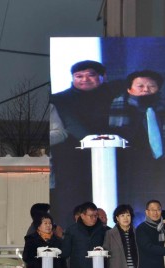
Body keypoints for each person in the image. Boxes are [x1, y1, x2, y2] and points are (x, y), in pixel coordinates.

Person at [109, 70, 165, 210]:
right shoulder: (119, 107)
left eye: (151, 86)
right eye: (140, 86)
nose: (146, 89)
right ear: (129, 89)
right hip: (132, 166)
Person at [49, 60, 113, 221]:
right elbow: (69, 125)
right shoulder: (59, 99)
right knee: (72, 201)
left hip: (111, 155)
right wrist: (94, 140)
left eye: (91, 75)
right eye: (79, 76)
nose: (85, 79)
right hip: (71, 159)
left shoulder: (115, 96)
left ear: (103, 76)